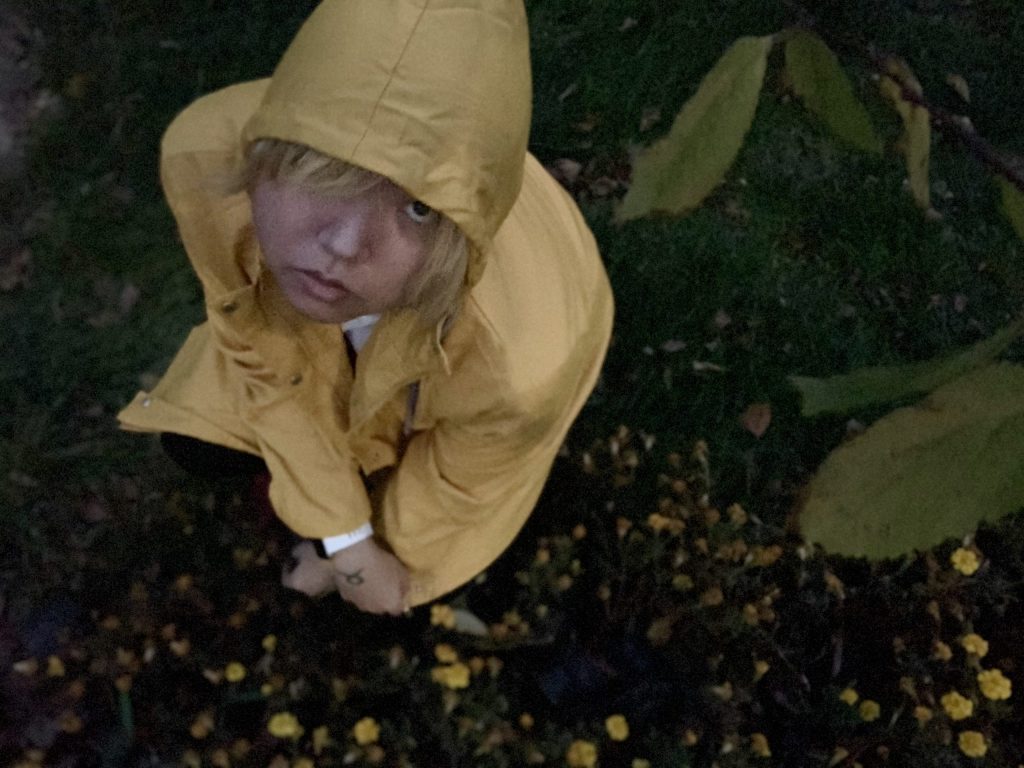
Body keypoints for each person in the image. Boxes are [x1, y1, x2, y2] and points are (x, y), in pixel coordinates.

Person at [117, 0, 614, 616]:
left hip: (486, 367)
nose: (344, 245)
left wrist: (360, 565)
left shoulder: (520, 364)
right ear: (265, 157)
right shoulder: (215, 170)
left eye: (418, 209)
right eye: (325, 170)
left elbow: (457, 490)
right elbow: (261, 351)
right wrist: (345, 540)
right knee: (200, 442)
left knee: (406, 565)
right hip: (357, 336)